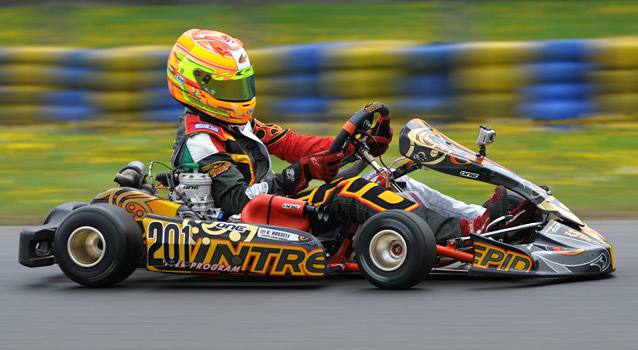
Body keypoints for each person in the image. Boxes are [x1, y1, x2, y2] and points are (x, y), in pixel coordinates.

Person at [166, 29, 508, 244]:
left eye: (243, 84)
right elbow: (238, 201)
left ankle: (479, 219)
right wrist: (301, 173)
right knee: (351, 192)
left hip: (273, 211)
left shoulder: (237, 125)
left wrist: (351, 149)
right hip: (243, 225)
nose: (241, 94)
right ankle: (463, 235)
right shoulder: (201, 140)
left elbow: (295, 144)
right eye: (230, 87)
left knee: (385, 177)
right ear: (194, 86)